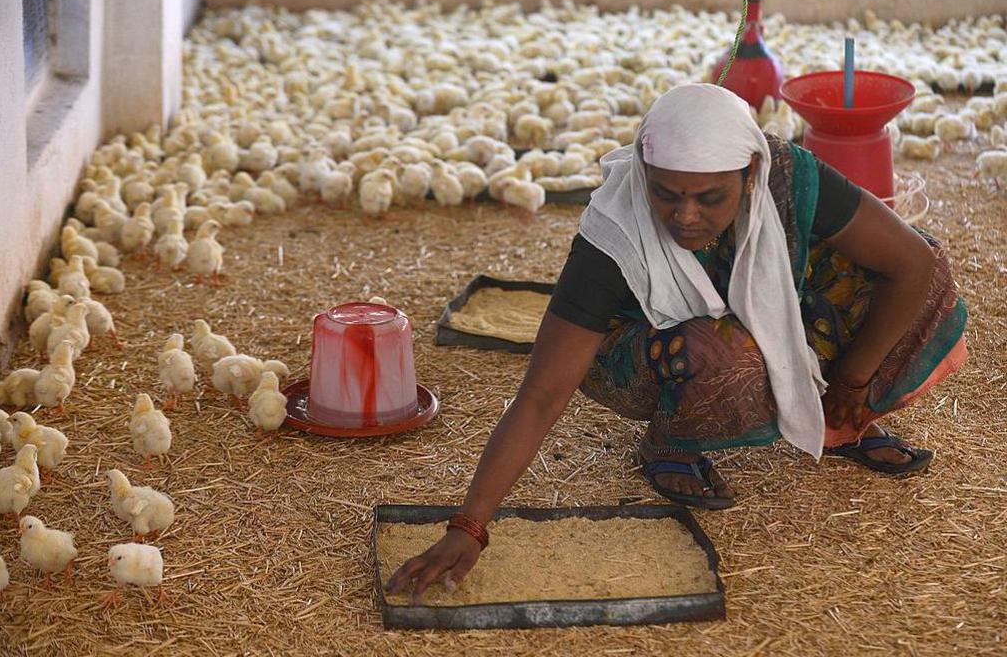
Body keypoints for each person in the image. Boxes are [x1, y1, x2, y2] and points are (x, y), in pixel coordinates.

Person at [385, 84, 967, 602]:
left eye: (710, 198)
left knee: (923, 275)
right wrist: (470, 524)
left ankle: (841, 418)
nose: (685, 215)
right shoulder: (613, 231)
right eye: (667, 194)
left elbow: (912, 264)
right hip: (644, 354)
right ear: (644, 177)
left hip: (770, 317)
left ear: (750, 175)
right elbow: (541, 393)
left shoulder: (790, 178)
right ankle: (673, 441)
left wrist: (854, 377)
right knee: (726, 351)